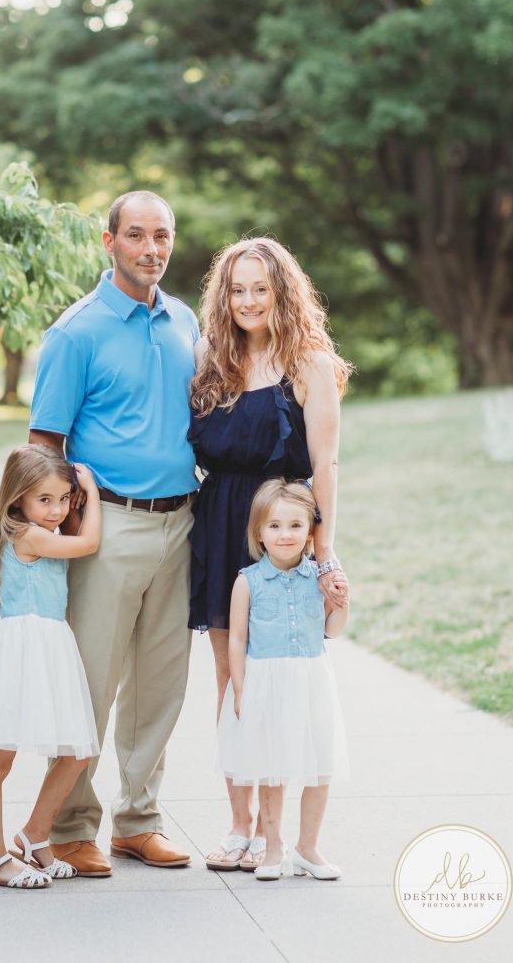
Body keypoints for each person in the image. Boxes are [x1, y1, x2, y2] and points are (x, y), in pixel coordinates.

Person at [28, 191, 199, 875]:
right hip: (108, 525)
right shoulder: (76, 332)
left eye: (162, 235)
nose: (151, 248)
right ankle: (71, 824)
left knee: (159, 685)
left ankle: (138, 821)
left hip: (180, 522)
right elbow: (45, 441)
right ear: (109, 242)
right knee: (89, 683)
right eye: (136, 235)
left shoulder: (186, 320)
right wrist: (57, 534)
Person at [188, 236, 351, 871]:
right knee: (233, 681)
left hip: (283, 530)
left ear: (282, 292)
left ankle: (278, 833)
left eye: (261, 288)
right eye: (237, 289)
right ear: (223, 297)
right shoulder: (210, 358)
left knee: (284, 678)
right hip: (220, 525)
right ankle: (240, 827)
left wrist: (324, 550)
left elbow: (326, 464)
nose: (249, 300)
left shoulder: (309, 363)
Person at [0, 444, 101, 889]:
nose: (57, 510)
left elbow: (71, 534)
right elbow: (89, 543)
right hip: (23, 653)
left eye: (64, 499)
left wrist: (71, 506)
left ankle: (34, 835)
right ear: (18, 498)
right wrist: (91, 495)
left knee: (79, 751)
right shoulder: (27, 534)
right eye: (45, 500)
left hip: (52, 648)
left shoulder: (43, 528)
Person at [217, 479, 349, 880]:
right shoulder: (248, 580)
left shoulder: (318, 578)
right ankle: (273, 847)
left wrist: (342, 600)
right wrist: (240, 689)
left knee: (319, 767)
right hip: (266, 683)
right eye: (274, 526)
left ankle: (308, 847)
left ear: (310, 531)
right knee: (272, 770)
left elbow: (334, 629)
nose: (285, 534)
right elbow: (237, 640)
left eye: (295, 525)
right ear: (259, 532)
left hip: (310, 679)